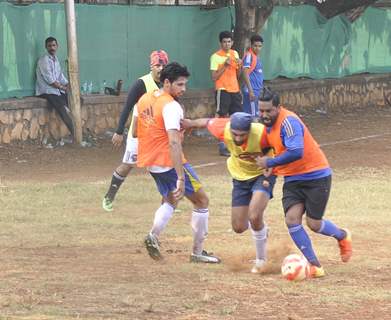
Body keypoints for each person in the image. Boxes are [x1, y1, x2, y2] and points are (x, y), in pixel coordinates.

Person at [256, 88, 353, 278]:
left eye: (269, 111)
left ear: (278, 107)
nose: (264, 115)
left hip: (316, 175)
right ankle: (315, 266)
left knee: (314, 224)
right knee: (292, 220)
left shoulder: (288, 122)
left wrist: (270, 162)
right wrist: (268, 166)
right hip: (293, 179)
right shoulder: (266, 126)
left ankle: (342, 236)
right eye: (261, 111)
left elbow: (296, 151)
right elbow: (266, 146)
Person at [133, 62, 220, 263]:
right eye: (180, 85)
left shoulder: (145, 98)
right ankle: (197, 253)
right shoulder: (171, 106)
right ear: (166, 82)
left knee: (170, 199)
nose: (183, 89)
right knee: (202, 201)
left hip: (151, 162)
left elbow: (137, 130)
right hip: (169, 162)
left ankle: (153, 236)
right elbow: (173, 141)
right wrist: (181, 177)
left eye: (185, 84)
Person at [181, 112, 276, 273]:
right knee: (239, 227)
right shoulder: (224, 128)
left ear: (250, 130)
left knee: (254, 215)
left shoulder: (262, 133)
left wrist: (272, 165)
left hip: (262, 174)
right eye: (235, 134)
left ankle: (261, 260)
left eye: (242, 135)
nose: (237, 138)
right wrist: (189, 123)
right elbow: (206, 121)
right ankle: (261, 229)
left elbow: (281, 146)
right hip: (239, 177)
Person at [102, 50, 169, 212]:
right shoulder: (142, 83)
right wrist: (119, 132)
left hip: (157, 135)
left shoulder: (168, 83)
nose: (160, 68)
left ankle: (168, 201)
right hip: (138, 133)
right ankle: (109, 196)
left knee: (164, 165)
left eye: (163, 65)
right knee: (128, 164)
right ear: (151, 66)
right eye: (157, 65)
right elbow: (127, 107)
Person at [210, 31, 242, 157]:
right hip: (222, 90)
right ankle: (222, 145)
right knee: (221, 117)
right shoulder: (215, 57)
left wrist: (239, 66)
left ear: (232, 42)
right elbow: (214, 77)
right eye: (224, 42)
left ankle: (236, 145)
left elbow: (237, 74)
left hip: (235, 90)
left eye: (229, 41)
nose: (227, 44)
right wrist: (224, 65)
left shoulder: (235, 53)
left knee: (237, 117)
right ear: (220, 43)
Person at [36, 37, 74, 137]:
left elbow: (60, 76)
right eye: (49, 46)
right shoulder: (44, 60)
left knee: (75, 99)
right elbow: (50, 81)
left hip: (56, 90)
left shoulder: (55, 59)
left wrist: (69, 86)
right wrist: (64, 88)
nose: (52, 48)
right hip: (46, 91)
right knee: (62, 108)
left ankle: (78, 130)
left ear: (57, 46)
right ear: (46, 47)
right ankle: (75, 133)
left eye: (53, 45)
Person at [242, 34, 264, 118]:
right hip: (252, 91)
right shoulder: (249, 56)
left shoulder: (255, 57)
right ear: (251, 45)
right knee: (252, 116)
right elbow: (245, 73)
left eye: (260, 46)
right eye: (255, 45)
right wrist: (251, 91)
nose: (257, 48)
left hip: (256, 91)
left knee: (255, 115)